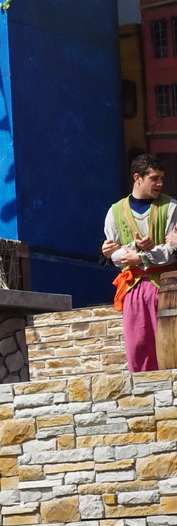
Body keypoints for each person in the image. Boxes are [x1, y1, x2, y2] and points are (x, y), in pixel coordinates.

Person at [102, 153, 177, 372]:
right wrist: (119, 254)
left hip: (166, 286)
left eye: (161, 178)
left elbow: (173, 249)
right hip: (133, 287)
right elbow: (113, 252)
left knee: (169, 343)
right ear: (138, 178)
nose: (160, 183)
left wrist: (143, 256)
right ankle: (145, 397)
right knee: (138, 346)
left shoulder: (170, 207)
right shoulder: (115, 211)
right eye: (154, 178)